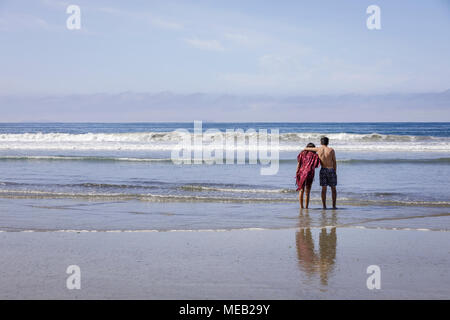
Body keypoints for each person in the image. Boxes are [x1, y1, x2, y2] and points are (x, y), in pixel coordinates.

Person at [304, 137, 337, 209]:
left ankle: (324, 206)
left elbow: (306, 148)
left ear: (321, 142)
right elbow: (334, 161)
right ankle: (334, 206)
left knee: (323, 189)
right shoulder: (331, 150)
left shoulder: (318, 149)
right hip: (331, 169)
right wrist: (335, 171)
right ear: (327, 142)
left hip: (323, 170)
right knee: (333, 188)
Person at [295, 143, 321, 209]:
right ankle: (306, 207)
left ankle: (301, 207)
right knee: (307, 191)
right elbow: (316, 165)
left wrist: (297, 172)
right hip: (310, 173)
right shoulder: (315, 155)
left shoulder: (302, 153)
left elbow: (299, 164)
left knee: (301, 190)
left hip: (301, 173)